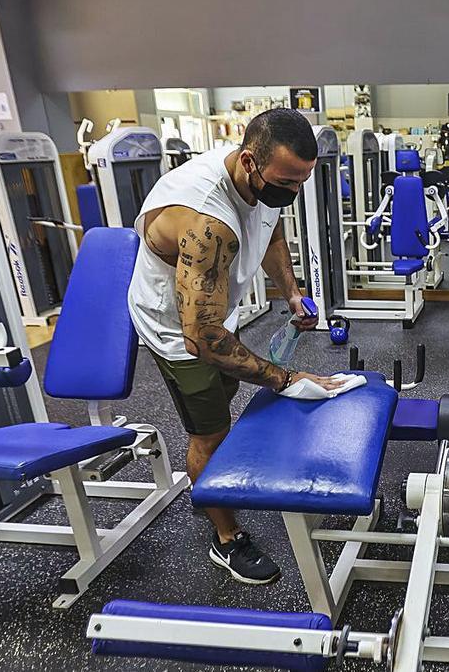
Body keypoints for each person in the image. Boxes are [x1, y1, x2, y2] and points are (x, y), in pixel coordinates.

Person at [128, 108, 346, 585]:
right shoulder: (207, 218)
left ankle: (213, 477)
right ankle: (224, 538)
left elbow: (272, 230)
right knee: (208, 430)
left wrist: (289, 291)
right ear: (249, 161)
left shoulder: (264, 181)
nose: (294, 192)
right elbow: (200, 338)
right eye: (287, 182)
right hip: (176, 330)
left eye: (302, 181)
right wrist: (286, 378)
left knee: (225, 403)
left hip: (214, 317)